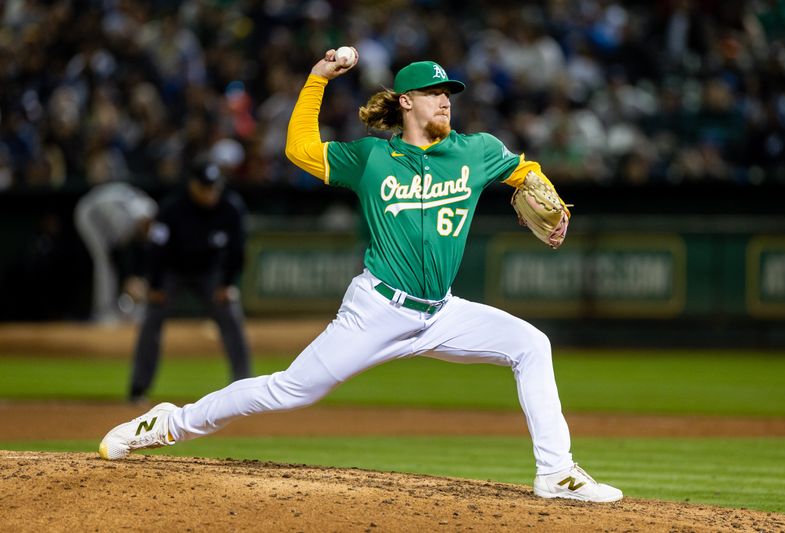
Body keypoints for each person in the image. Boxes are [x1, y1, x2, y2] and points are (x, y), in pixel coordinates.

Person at [100, 49, 623, 503]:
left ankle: (556, 473)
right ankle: (167, 423)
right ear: (405, 102)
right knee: (289, 391)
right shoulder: (373, 158)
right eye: (432, 91)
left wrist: (549, 196)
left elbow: (525, 171)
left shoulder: (475, 150)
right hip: (377, 310)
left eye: (449, 92)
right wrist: (317, 79)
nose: (445, 100)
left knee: (531, 344)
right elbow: (299, 149)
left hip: (442, 312)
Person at [127, 161, 252, 403]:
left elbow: (237, 251)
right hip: (174, 272)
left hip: (210, 273)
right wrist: (155, 286)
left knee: (231, 316)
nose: (210, 192)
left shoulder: (230, 207)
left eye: (214, 187)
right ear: (192, 185)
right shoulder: (173, 208)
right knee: (152, 319)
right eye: (205, 187)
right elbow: (156, 249)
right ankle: (138, 389)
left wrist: (227, 284)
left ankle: (244, 387)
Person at [74, 182, 157, 324]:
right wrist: (129, 279)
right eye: (145, 223)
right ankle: (103, 312)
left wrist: (135, 278)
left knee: (113, 265)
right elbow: (119, 253)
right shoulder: (126, 220)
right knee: (103, 262)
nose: (148, 226)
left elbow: (143, 248)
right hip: (89, 214)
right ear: (139, 219)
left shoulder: (148, 211)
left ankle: (123, 309)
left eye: (150, 222)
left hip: (104, 214)